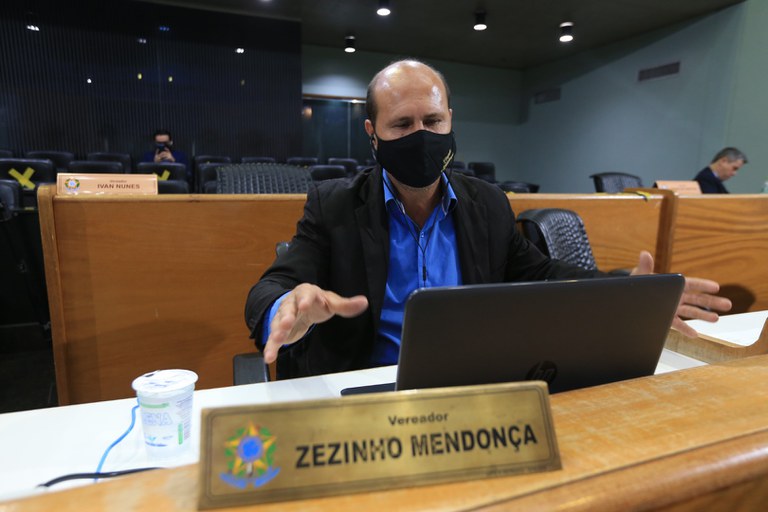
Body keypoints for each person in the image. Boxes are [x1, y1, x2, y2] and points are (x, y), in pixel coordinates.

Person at [245, 59, 731, 379]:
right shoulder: (333, 204)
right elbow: (271, 288)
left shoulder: (488, 203)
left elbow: (540, 272)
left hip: (476, 387)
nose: (421, 135)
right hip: (368, 390)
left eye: (433, 121)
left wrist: (628, 291)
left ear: (450, 120)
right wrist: (289, 306)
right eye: (402, 124)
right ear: (373, 134)